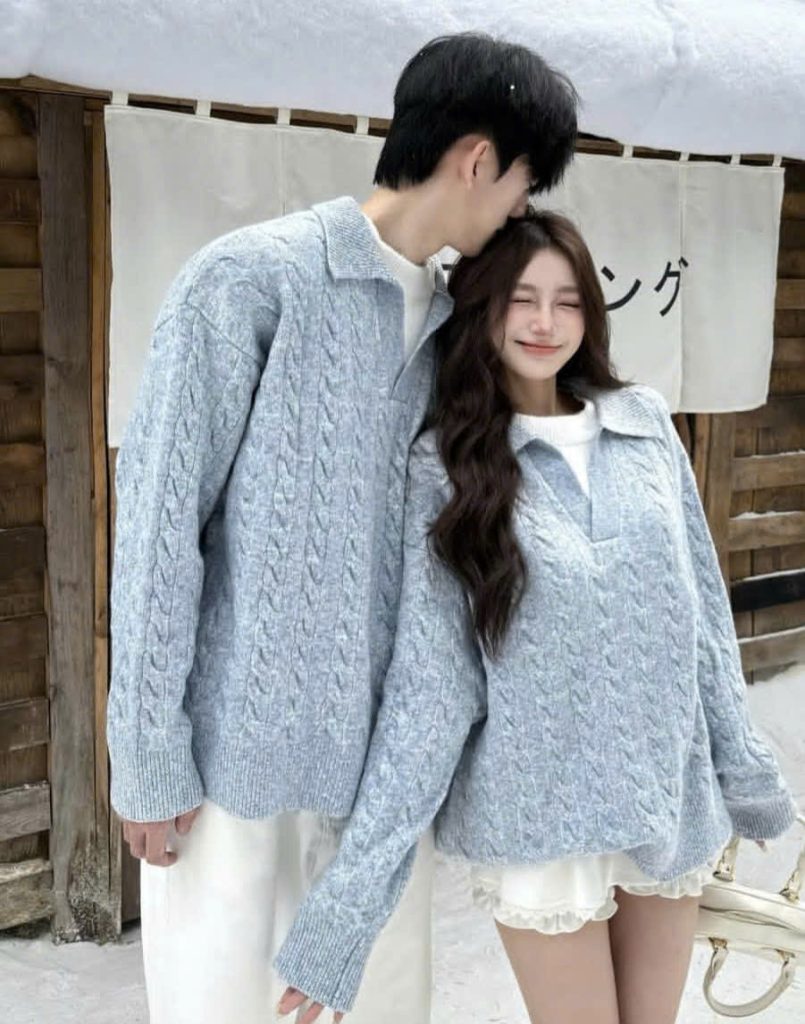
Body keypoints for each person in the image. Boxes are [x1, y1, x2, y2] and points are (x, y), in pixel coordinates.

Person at [106, 33, 579, 1024]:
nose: (517, 212)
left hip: (373, 798)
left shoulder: (458, 334)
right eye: (521, 184)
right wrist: (146, 752)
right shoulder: (249, 281)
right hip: (229, 783)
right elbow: (157, 524)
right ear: (478, 160)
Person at [274, 208, 799, 1024]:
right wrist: (346, 909)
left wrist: (746, 776)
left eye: (567, 300)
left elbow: (701, 626)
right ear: (481, 308)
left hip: (667, 802)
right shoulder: (447, 467)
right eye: (521, 299)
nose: (544, 322)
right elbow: (430, 694)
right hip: (541, 821)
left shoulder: (644, 425)